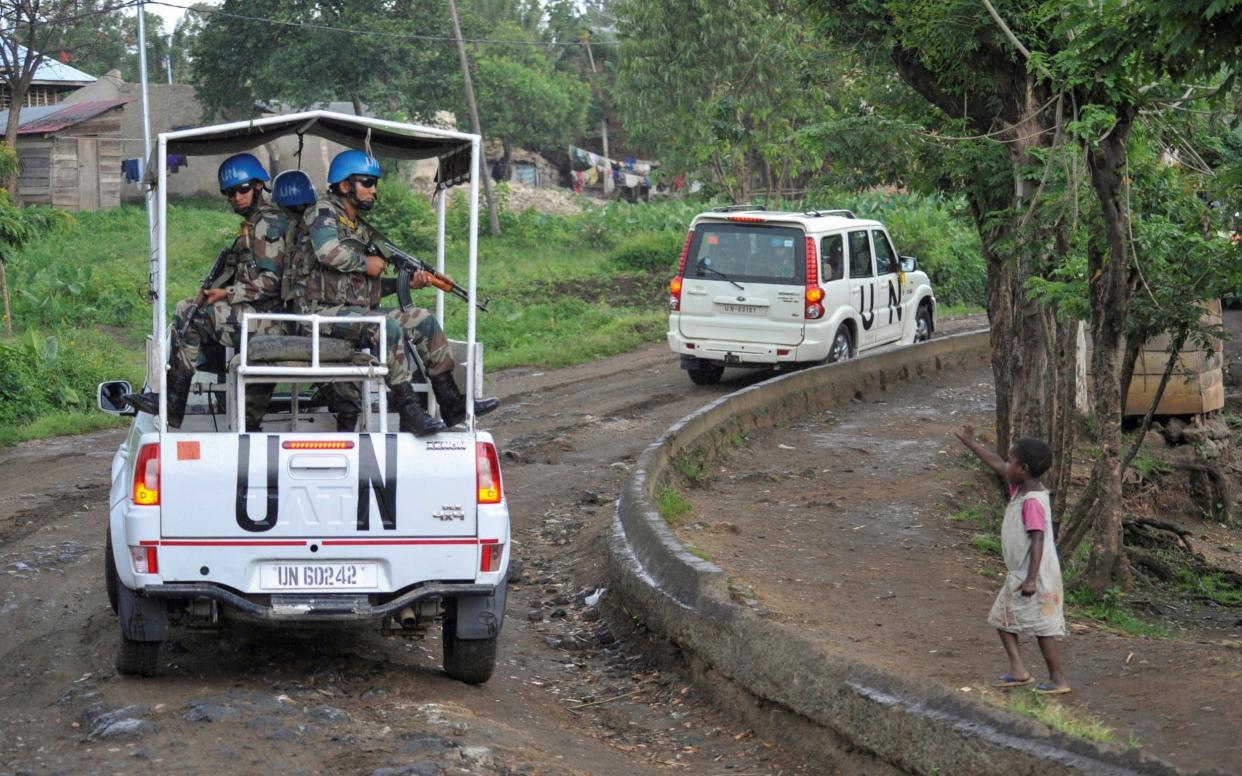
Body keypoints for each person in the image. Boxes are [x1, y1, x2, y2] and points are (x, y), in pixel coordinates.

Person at [286, 148, 499, 435]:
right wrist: (366, 262)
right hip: (316, 314)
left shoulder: (359, 229)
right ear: (344, 185)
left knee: (422, 318)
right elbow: (327, 253)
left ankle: (451, 403)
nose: (373, 189)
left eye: (374, 182)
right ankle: (409, 410)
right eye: (366, 182)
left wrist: (407, 281)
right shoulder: (322, 212)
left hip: (347, 312)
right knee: (385, 326)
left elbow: (361, 288)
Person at [126, 153, 289, 429]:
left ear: (260, 185)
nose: (236, 197)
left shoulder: (268, 223)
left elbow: (272, 282)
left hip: (273, 316)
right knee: (187, 309)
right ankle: (171, 397)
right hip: (256, 311)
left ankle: (173, 403)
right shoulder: (254, 223)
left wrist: (226, 295)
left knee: (195, 316)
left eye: (243, 189)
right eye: (230, 193)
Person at [954, 426, 1070, 695]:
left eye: (1012, 461)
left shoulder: (1031, 501)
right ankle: (1021, 670)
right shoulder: (1022, 487)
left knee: (1039, 627)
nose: (1007, 464)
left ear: (1023, 469)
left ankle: (1057, 679)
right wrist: (972, 444)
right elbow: (997, 464)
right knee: (1010, 620)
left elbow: (1037, 539)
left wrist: (1030, 579)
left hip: (1034, 575)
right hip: (1024, 572)